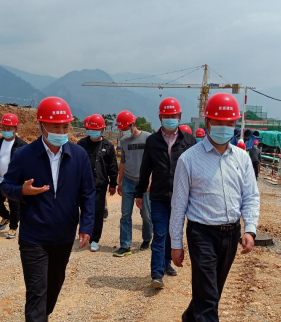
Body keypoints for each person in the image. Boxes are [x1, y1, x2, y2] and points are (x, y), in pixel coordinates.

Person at [169, 92, 260, 322]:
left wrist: (250, 229)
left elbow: (251, 196)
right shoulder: (189, 159)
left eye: (229, 122)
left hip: (230, 234)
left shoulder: (242, 158)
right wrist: (176, 243)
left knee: (213, 291)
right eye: (219, 122)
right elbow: (178, 205)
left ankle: (190, 318)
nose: (224, 127)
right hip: (201, 234)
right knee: (209, 298)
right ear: (207, 122)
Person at [1, 97, 95, 322]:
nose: (61, 131)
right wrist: (22, 192)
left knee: (54, 285)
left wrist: (86, 226)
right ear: (42, 125)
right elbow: (6, 185)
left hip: (64, 235)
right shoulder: (25, 155)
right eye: (55, 126)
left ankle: (43, 317)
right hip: (34, 236)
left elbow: (88, 193)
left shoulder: (78, 156)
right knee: (36, 291)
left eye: (65, 126)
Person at [135, 98, 195, 289]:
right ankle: (156, 273)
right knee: (159, 233)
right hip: (159, 196)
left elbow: (196, 170)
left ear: (179, 116)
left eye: (173, 115)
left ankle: (167, 262)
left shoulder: (189, 141)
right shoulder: (152, 141)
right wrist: (139, 192)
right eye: (166, 116)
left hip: (180, 197)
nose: (170, 119)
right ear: (160, 117)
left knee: (173, 232)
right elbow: (145, 168)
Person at [114, 110, 152, 257]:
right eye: (121, 129)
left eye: (125, 128)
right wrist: (120, 182)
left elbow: (153, 162)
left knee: (146, 215)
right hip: (128, 182)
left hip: (144, 181)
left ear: (133, 125)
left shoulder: (148, 138)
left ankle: (147, 238)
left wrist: (150, 180)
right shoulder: (123, 142)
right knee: (125, 214)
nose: (123, 131)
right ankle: (125, 245)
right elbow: (122, 163)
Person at [77, 114, 118, 252]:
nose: (94, 132)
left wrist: (113, 184)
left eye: (97, 129)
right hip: (83, 184)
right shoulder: (82, 144)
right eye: (91, 129)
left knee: (98, 212)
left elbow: (113, 166)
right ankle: (84, 233)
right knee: (84, 210)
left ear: (102, 129)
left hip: (100, 184)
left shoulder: (108, 146)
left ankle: (95, 239)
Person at [0, 113, 27, 239]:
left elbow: (27, 164)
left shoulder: (22, 146)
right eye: (4, 128)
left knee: (14, 205)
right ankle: (6, 216)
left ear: (15, 129)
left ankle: (13, 228)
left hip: (14, 182)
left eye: (9, 128)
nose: (6, 131)